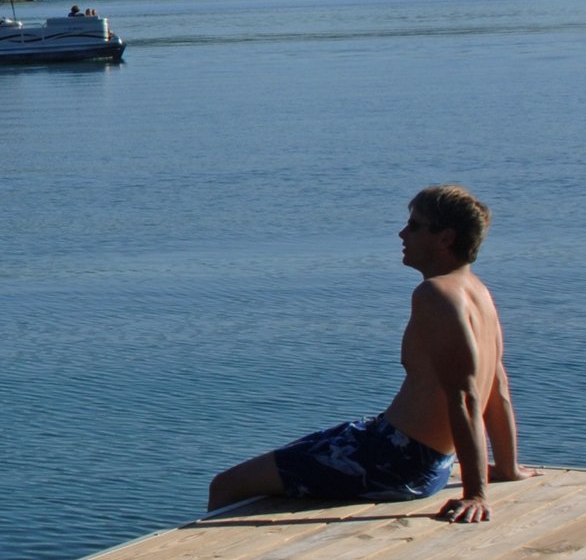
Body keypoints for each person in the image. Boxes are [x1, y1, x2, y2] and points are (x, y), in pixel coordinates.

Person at [207, 185, 532, 522]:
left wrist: (476, 494)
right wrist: (507, 467)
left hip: (397, 461)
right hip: (409, 453)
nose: (402, 233)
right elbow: (497, 386)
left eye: (415, 225)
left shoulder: (435, 294)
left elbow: (464, 397)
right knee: (282, 463)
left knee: (227, 485)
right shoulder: (478, 293)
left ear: (445, 238)